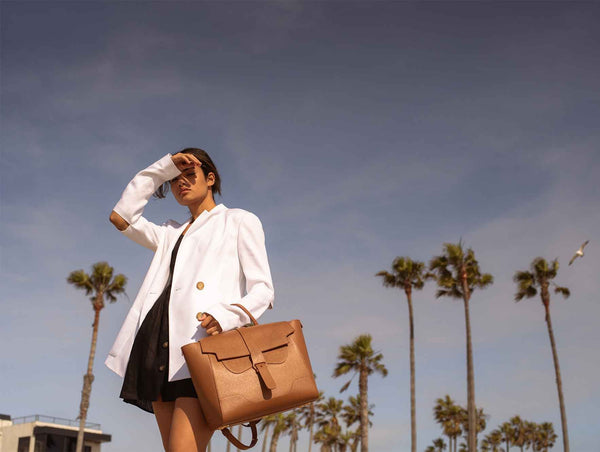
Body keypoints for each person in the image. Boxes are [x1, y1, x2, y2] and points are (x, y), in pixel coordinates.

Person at [105, 148, 274, 452]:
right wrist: (163, 167)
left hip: (202, 348)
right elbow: (121, 216)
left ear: (210, 179)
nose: (181, 183)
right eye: (174, 179)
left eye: (189, 175)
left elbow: (263, 289)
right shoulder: (170, 232)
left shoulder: (238, 221)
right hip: (156, 345)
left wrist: (227, 316)